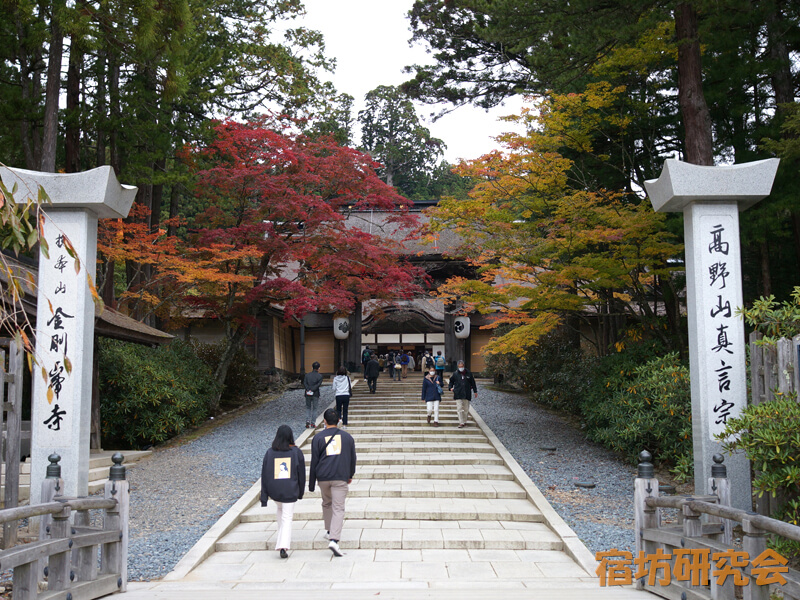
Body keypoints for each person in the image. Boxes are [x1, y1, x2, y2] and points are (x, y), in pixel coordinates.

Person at [309, 408, 357, 557]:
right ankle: (334, 539)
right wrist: (350, 474)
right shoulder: (347, 438)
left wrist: (311, 482)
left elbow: (314, 461)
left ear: (324, 421)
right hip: (339, 476)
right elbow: (352, 458)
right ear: (339, 421)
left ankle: (329, 530)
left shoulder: (317, 438)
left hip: (323, 477)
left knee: (327, 503)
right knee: (338, 507)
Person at [260, 425, 305, 559]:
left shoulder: (270, 452)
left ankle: (281, 538)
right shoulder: (296, 452)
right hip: (290, 489)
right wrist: (300, 492)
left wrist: (265, 495)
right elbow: (301, 474)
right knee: (287, 517)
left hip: (274, 490)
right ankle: (283, 546)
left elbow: (265, 474)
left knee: (280, 511)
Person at [448, 360, 478, 428]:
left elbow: (473, 382)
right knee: (459, 408)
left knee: (466, 409)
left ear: (464, 366)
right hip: (458, 392)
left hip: (466, 392)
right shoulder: (455, 374)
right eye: (459, 366)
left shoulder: (469, 373)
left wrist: (475, 391)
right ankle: (461, 422)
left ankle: (464, 421)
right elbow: (451, 381)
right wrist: (450, 388)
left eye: (462, 366)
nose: (460, 368)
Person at [303, 362, 324, 429]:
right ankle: (313, 423)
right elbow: (318, 385)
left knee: (308, 407)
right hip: (315, 393)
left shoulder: (307, 375)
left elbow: (305, 383)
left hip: (307, 393)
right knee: (315, 408)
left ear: (312, 367)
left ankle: (307, 420)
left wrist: (308, 389)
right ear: (319, 368)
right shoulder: (320, 376)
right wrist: (312, 390)